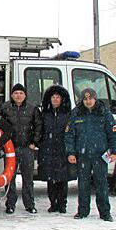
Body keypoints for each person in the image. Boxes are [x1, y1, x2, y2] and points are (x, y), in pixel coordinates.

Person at [65, 88, 116, 222]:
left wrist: (115, 151)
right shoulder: (76, 113)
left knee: (101, 184)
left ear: (95, 99)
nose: (88, 101)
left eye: (90, 99)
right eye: (85, 99)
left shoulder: (104, 113)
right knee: (83, 185)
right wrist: (70, 152)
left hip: (100, 155)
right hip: (82, 155)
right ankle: (83, 211)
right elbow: (69, 135)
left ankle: (105, 213)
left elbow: (113, 133)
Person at [0, 83, 42, 214]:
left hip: (26, 149)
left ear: (25, 95)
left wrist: (35, 142)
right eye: (16, 93)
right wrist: (2, 143)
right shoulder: (5, 108)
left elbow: (38, 126)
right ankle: (10, 204)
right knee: (10, 178)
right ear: (12, 95)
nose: (18, 95)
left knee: (28, 178)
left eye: (21, 93)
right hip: (10, 149)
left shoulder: (32, 108)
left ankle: (29, 204)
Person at [39, 85, 72, 214]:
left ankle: (62, 204)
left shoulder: (68, 114)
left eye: (58, 97)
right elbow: (39, 131)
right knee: (50, 179)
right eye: (53, 97)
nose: (55, 99)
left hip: (62, 150)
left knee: (62, 179)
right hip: (48, 150)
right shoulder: (45, 114)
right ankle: (53, 203)